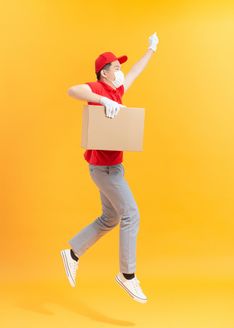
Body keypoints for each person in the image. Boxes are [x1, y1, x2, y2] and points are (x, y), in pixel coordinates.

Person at [61, 32, 159, 304]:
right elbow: (73, 91)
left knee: (110, 218)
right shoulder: (99, 90)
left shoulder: (117, 89)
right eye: (116, 67)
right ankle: (127, 276)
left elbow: (135, 73)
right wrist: (102, 100)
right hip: (103, 169)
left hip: (115, 168)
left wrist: (151, 50)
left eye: (120, 68)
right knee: (131, 214)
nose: (121, 72)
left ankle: (72, 254)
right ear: (104, 72)